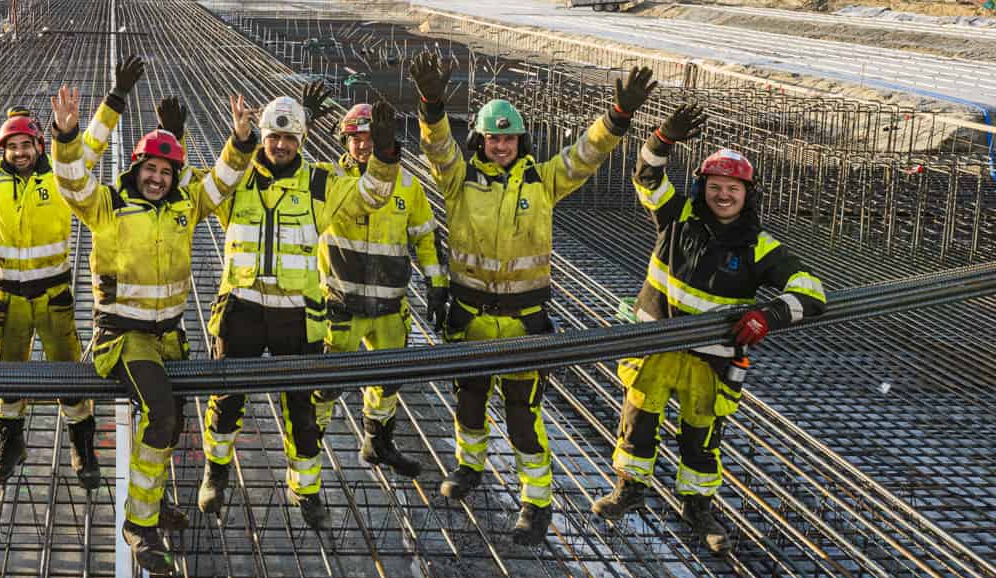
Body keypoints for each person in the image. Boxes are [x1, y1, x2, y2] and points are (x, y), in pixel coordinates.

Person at [408, 50, 657, 546]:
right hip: (470, 319)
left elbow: (587, 153)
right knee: (470, 405)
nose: (502, 145)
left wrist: (618, 116)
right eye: (494, 137)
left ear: (521, 141)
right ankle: (469, 468)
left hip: (523, 325)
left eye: (510, 137)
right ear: (480, 139)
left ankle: (536, 503)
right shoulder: (460, 182)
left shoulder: (542, 181)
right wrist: (432, 105)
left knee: (524, 421)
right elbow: (438, 149)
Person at [594, 105, 826, 554]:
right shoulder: (676, 215)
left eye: (732, 189)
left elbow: (812, 290)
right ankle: (629, 489)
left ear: (747, 194)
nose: (723, 196)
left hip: (711, 360)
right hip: (655, 348)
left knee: (702, 437)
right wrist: (663, 139)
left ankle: (698, 507)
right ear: (703, 188)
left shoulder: (759, 247)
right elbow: (646, 175)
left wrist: (768, 316)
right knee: (638, 424)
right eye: (716, 187)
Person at [48, 69, 247, 575]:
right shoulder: (108, 205)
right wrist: (67, 136)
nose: (157, 178)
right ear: (136, 169)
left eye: (166, 171)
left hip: (168, 337)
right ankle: (139, 523)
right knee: (161, 416)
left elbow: (222, 182)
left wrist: (241, 141)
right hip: (122, 337)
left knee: (172, 419)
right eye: (150, 169)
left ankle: (154, 504)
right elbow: (71, 182)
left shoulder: (184, 206)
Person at [197, 88, 401, 529]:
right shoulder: (239, 180)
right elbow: (206, 191)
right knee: (226, 402)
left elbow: (375, 194)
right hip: (242, 310)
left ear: (302, 140)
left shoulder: (322, 185)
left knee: (302, 413)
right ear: (264, 136)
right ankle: (215, 474)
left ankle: (305, 491)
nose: (281, 146)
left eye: (290, 139)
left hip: (297, 318)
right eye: (274, 137)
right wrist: (238, 139)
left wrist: (384, 151)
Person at [0, 57, 141, 489]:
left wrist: (114, 98)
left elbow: (93, 144)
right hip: (6, 299)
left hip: (54, 296)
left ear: (40, 145)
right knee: (10, 377)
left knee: (68, 376)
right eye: (12, 147)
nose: (20, 153)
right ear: (2, 151)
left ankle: (82, 450)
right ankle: (11, 444)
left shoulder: (60, 179)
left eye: (27, 144)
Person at [314, 97, 445, 478]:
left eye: (370, 137)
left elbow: (424, 238)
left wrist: (436, 284)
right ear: (344, 142)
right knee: (325, 386)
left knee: (388, 382)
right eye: (355, 138)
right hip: (341, 304)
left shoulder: (408, 185)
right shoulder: (330, 180)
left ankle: (377, 442)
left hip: (389, 306)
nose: (363, 145)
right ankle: (309, 452)